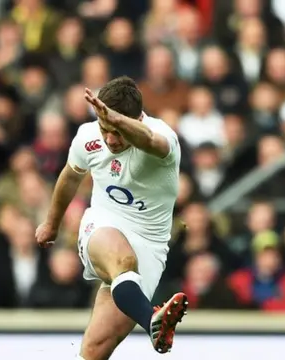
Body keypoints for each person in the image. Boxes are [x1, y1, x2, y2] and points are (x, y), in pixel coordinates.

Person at [35, 76, 186, 358]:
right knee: (122, 260)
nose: (110, 139)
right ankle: (153, 320)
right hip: (103, 224)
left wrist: (117, 120)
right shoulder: (88, 136)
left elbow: (150, 140)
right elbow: (70, 178)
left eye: (118, 131)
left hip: (150, 246)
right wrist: (51, 224)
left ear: (135, 121)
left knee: (94, 349)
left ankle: (151, 321)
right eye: (105, 129)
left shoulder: (162, 139)